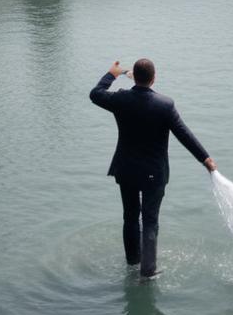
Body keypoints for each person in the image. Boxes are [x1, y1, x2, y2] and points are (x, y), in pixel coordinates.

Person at [90, 58, 216, 279]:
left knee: (129, 217)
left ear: (134, 77)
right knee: (149, 220)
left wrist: (113, 73)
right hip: (153, 173)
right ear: (154, 78)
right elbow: (184, 135)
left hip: (126, 169)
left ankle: (132, 261)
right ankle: (148, 273)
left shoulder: (121, 99)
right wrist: (205, 159)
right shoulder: (165, 105)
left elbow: (95, 93)